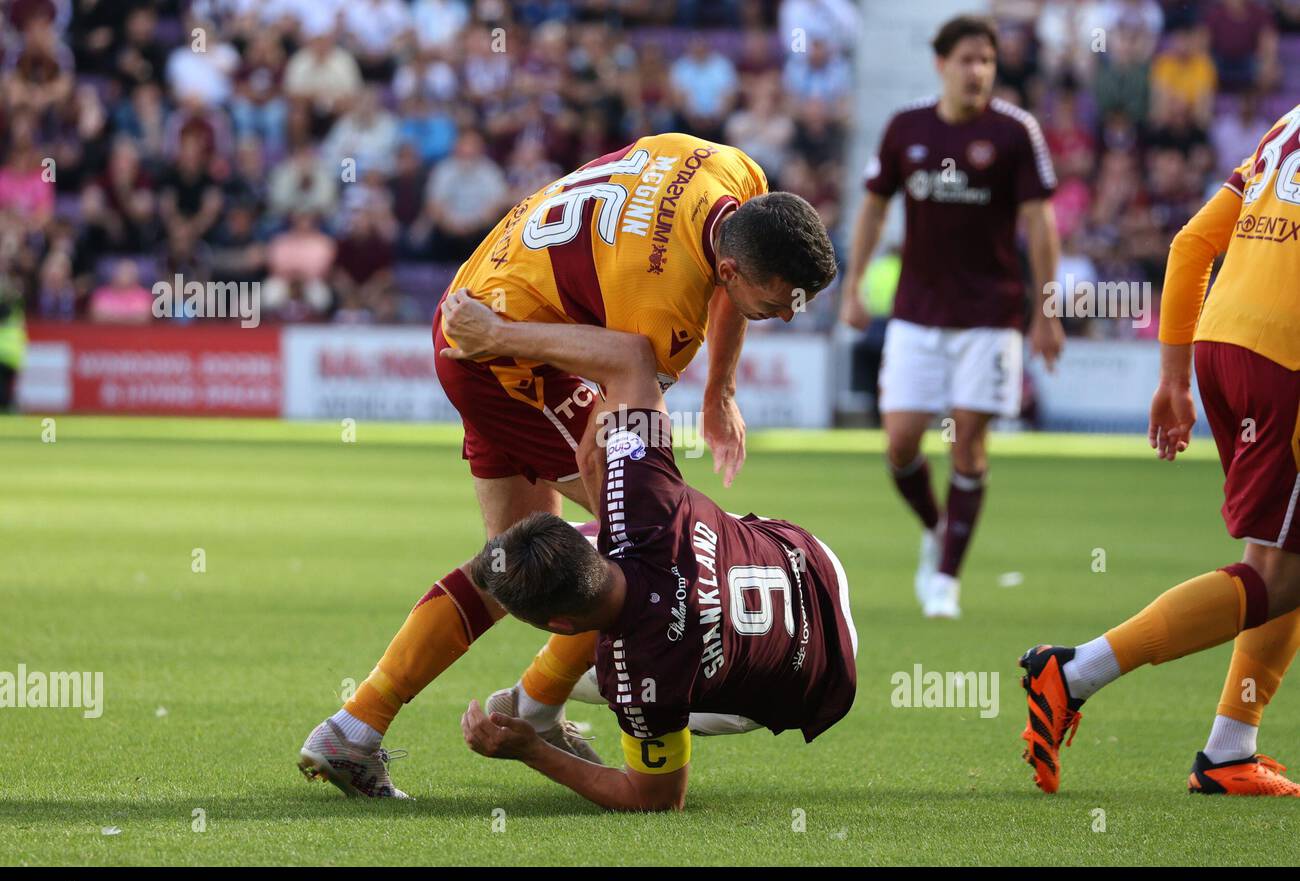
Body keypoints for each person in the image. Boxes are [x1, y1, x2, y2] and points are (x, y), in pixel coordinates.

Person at [297, 132, 838, 798]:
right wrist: (499, 342)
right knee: (644, 559)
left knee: (516, 562)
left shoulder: (733, 171)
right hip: (507, 352)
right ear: (730, 269)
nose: (788, 314)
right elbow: (627, 390)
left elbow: (721, 295)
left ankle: (358, 727)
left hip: (490, 297)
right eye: (779, 302)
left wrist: (720, 391)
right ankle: (527, 707)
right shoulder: (658, 306)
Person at [450, 295, 858, 810]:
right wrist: (497, 334)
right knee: (678, 533)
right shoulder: (638, 495)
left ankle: (534, 710)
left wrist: (531, 752)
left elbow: (656, 800)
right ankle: (536, 705)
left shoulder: (635, 678)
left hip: (821, 675)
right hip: (812, 559)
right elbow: (632, 358)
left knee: (609, 684)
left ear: (560, 627)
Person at [1020, 103, 1300, 797]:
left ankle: (1230, 748)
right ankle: (1073, 671)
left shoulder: (1287, 122)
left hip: (1222, 341)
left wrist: (1173, 380)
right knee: (1281, 576)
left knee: (1283, 555)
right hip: (1288, 357)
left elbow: (1190, 245)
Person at [839, 14, 1063, 619]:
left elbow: (1041, 224)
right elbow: (872, 210)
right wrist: (853, 286)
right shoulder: (906, 128)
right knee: (901, 443)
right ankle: (939, 528)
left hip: (990, 318)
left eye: (987, 61)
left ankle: (945, 579)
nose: (978, 71)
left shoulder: (1016, 132)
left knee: (968, 442)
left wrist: (1046, 311)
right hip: (916, 316)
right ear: (941, 64)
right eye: (967, 60)